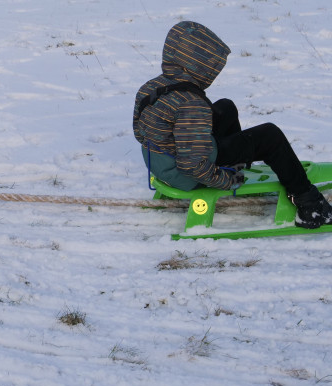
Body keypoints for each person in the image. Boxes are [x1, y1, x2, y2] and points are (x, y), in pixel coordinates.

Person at [133, 20, 332, 229]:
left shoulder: (154, 87)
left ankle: (236, 163)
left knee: (225, 107)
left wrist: (168, 146)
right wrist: (226, 180)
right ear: (198, 65)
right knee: (269, 135)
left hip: (160, 162)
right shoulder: (191, 104)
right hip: (184, 172)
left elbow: (140, 133)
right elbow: (191, 165)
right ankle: (310, 205)